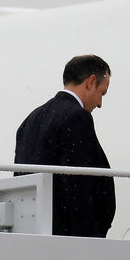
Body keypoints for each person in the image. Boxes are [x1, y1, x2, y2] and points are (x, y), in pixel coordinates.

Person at [14, 55, 115, 238]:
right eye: (102, 93)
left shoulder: (30, 121)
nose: (100, 104)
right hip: (68, 237)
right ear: (91, 81)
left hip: (34, 231)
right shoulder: (77, 117)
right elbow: (76, 185)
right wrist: (88, 238)